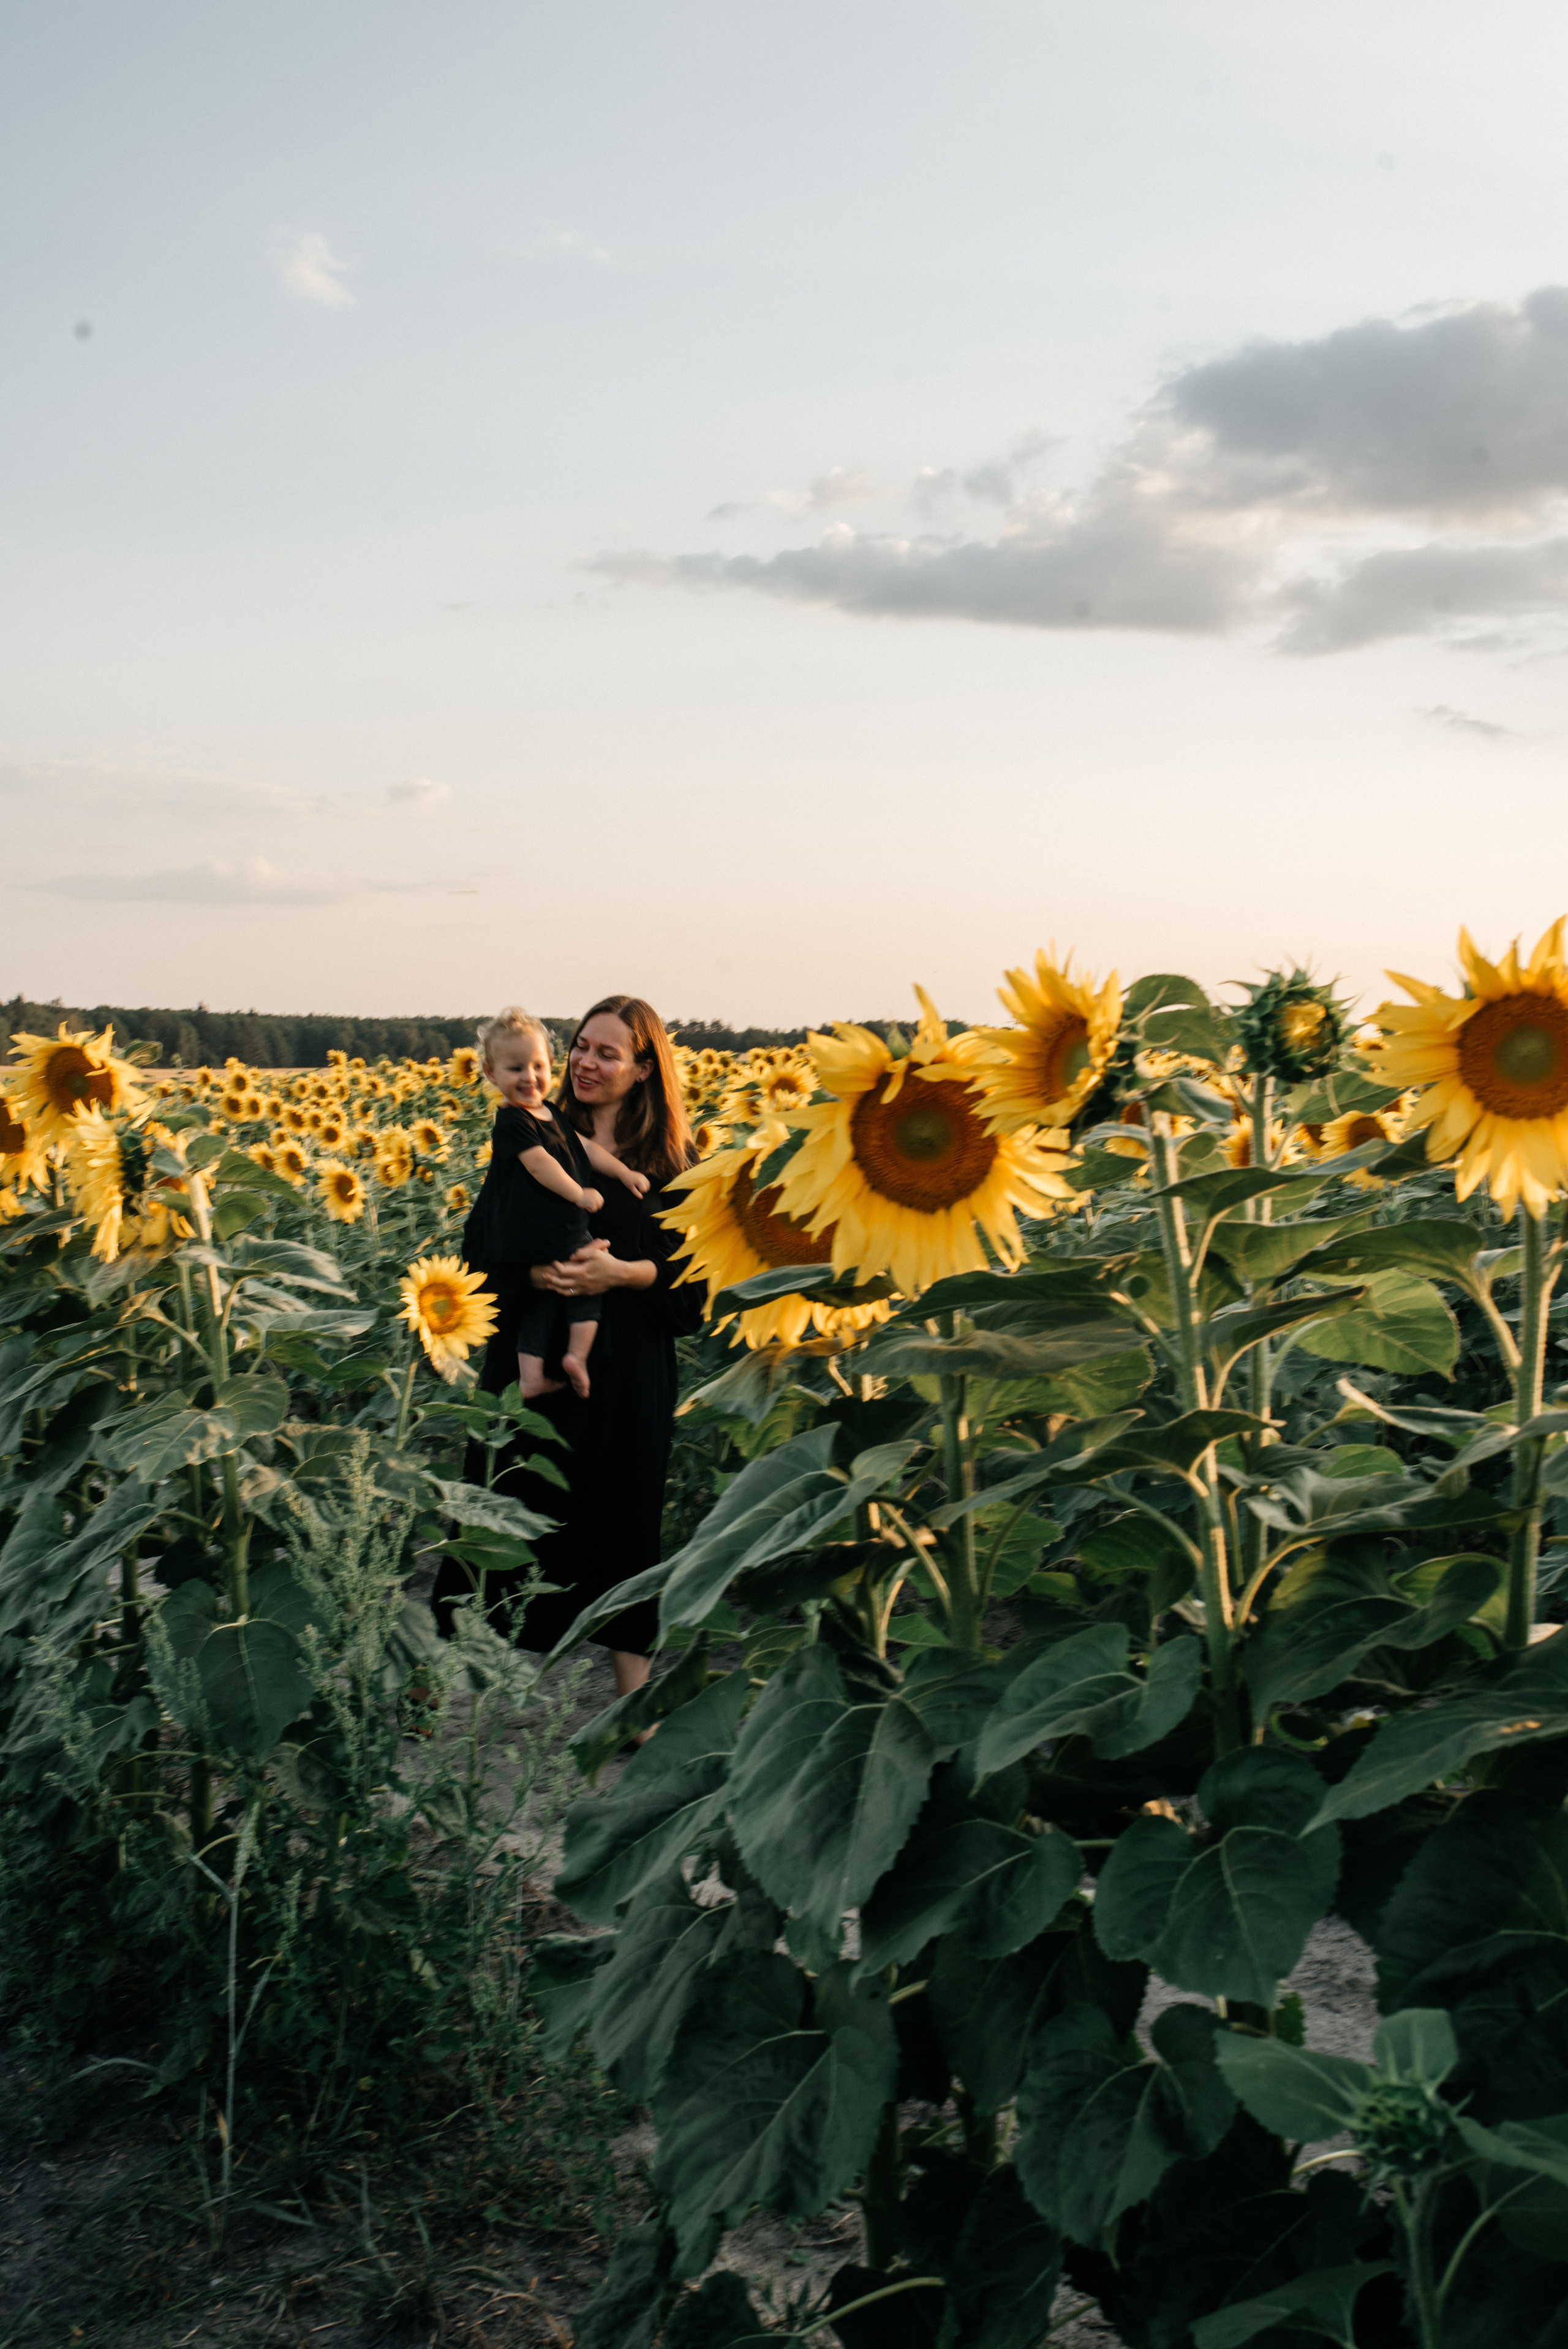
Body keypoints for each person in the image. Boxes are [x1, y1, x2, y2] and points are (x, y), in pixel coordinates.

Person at [436, 994, 703, 1699]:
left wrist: (623, 1273)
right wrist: (531, 1271)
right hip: (535, 1357)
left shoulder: (675, 1163)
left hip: (629, 1372)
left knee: (625, 1526)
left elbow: (695, 1288)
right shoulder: (533, 1135)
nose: (585, 1061)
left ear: (644, 1068)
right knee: (494, 1513)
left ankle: (631, 1702)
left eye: (606, 1052)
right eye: (581, 1045)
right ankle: (430, 1687)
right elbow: (476, 1247)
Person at [472, 1007, 647, 1400]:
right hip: (543, 1237)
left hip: (626, 1379)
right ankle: (574, 1357)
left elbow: (580, 1147)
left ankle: (541, 1371)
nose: (529, 1078)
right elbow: (539, 1165)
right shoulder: (513, 1121)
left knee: (544, 1305)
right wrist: (579, 1194)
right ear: (491, 1073)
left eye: (537, 1066)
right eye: (515, 1069)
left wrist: (622, 1172)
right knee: (573, 1292)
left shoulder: (551, 1114)